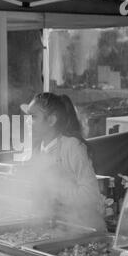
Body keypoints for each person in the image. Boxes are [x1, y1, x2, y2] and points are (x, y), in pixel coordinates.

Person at [21, 92, 106, 231]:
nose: (28, 122)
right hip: (55, 229)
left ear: (51, 120)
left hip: (83, 230)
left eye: (33, 117)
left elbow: (91, 196)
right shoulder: (37, 148)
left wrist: (55, 186)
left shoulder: (72, 146)